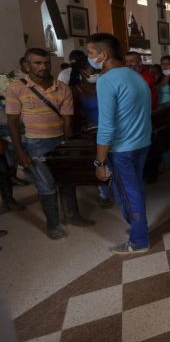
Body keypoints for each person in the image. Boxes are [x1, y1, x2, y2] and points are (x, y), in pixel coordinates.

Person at [6, 48, 93, 240]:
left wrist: (70, 147)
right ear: (27, 65)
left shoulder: (62, 88)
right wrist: (20, 151)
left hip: (60, 141)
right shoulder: (16, 88)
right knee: (46, 185)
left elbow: (68, 121)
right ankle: (53, 226)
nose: (43, 66)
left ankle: (72, 216)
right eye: (37, 63)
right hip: (34, 143)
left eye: (46, 63)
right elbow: (12, 122)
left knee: (67, 180)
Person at [87, 33, 153, 254]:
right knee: (134, 190)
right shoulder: (135, 75)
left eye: (91, 53)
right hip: (141, 143)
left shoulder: (106, 80)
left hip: (122, 149)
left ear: (103, 55)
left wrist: (99, 162)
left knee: (127, 193)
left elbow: (106, 127)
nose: (90, 57)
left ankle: (139, 240)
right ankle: (139, 226)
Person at [68, 53, 114, 208]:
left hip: (113, 128)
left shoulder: (105, 84)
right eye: (91, 70)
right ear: (81, 72)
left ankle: (117, 188)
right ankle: (104, 193)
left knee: (116, 160)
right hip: (93, 130)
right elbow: (74, 115)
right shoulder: (77, 90)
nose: (95, 73)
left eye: (97, 70)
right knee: (101, 162)